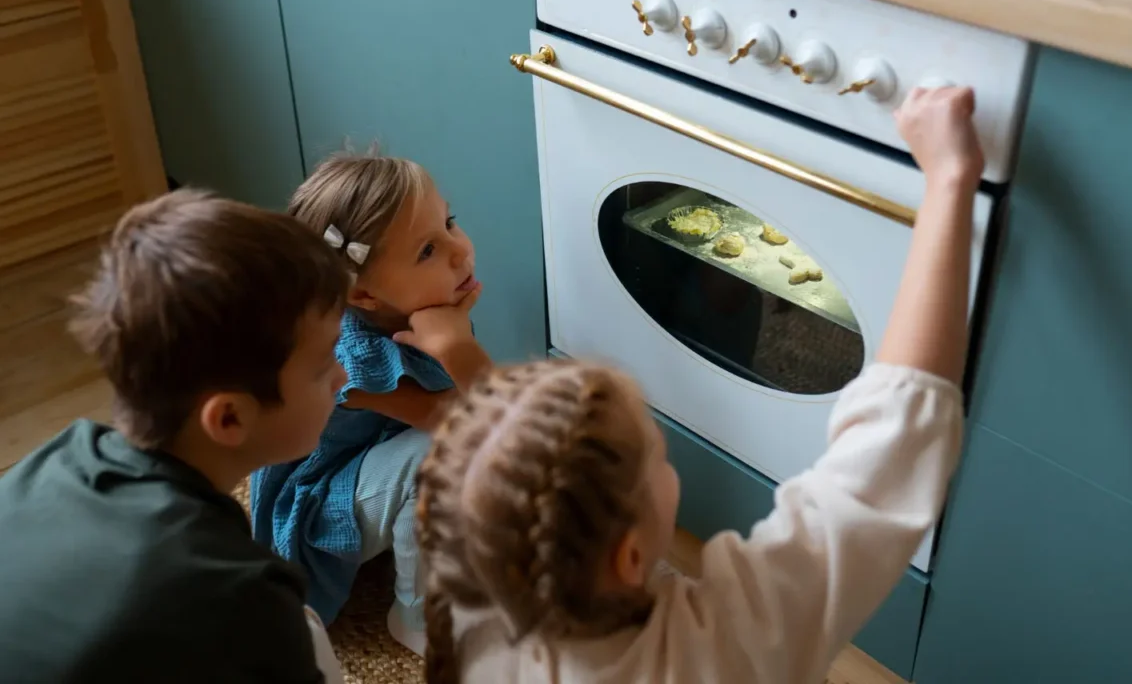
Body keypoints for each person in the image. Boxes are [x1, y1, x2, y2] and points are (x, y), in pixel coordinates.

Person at [413, 85, 986, 683]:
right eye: (657, 456)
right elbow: (882, 468)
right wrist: (950, 181)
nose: (666, 461)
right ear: (631, 556)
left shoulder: (474, 615)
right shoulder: (734, 644)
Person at [0, 189, 349, 683]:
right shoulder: (241, 592)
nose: (340, 376)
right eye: (322, 366)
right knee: (307, 632)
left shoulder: (50, 463)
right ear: (228, 419)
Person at [250, 151, 490, 657]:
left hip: (369, 460)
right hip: (315, 497)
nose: (459, 251)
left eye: (449, 222)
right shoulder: (348, 359)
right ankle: (417, 616)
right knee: (445, 452)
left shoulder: (417, 309)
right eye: (428, 250)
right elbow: (478, 417)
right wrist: (459, 348)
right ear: (363, 297)